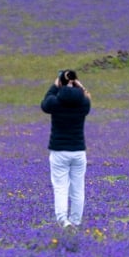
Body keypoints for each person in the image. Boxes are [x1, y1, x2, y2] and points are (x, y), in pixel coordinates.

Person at [40, 69, 91, 232]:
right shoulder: (83, 103)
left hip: (59, 151)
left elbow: (44, 103)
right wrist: (78, 84)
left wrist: (56, 85)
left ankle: (64, 221)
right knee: (78, 188)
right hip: (78, 151)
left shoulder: (55, 102)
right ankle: (75, 221)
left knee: (61, 188)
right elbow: (87, 96)